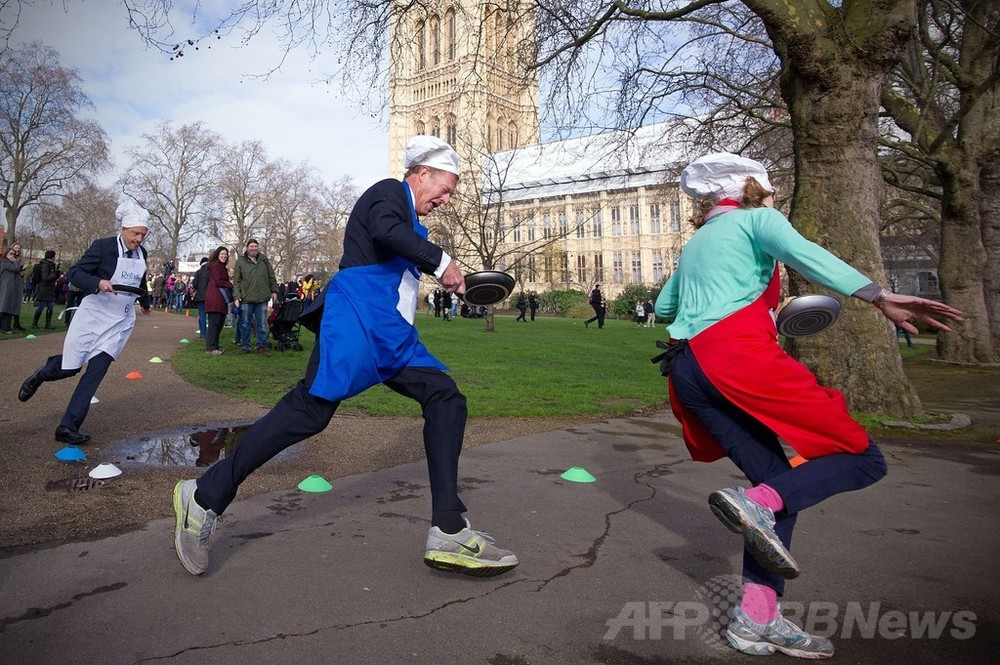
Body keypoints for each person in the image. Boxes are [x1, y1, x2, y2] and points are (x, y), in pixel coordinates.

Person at [653, 153, 963, 659]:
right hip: (737, 357)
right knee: (864, 459)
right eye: (768, 186)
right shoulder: (759, 220)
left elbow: (668, 309)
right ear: (750, 187)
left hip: (688, 370)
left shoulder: (698, 243)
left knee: (779, 485)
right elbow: (806, 254)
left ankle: (756, 618)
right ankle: (757, 510)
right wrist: (878, 295)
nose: (773, 195)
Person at [171, 134, 518, 578]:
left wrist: (452, 277)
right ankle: (202, 498)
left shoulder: (415, 224)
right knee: (308, 413)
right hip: (357, 319)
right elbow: (383, 232)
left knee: (446, 398)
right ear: (421, 173)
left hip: (391, 333)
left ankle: (449, 528)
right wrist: (442, 261)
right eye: (445, 188)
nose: (447, 199)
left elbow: (399, 251)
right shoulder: (388, 193)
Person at [18, 201, 153, 445]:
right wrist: (98, 283)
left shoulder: (142, 253)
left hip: (119, 322)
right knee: (70, 368)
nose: (139, 239)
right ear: (123, 229)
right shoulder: (103, 247)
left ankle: (67, 426)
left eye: (143, 234)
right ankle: (40, 374)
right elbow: (75, 273)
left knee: (96, 371)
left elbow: (139, 282)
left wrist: (145, 300)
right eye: (135, 233)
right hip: (93, 316)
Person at [233, 238, 278, 355]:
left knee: (262, 323)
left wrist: (274, 290)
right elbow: (236, 281)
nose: (254, 248)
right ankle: (245, 346)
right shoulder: (241, 261)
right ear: (247, 247)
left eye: (255, 246)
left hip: (262, 297)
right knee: (245, 323)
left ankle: (261, 345)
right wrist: (236, 296)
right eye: (251, 246)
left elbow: (271, 276)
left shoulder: (264, 260)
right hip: (246, 298)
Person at [203, 247, 233, 355]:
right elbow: (218, 281)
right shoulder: (216, 266)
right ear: (217, 254)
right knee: (214, 323)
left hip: (220, 298)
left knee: (219, 323)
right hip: (215, 298)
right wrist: (230, 285)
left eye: (225, 254)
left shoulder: (221, 267)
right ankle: (211, 347)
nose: (224, 256)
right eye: (222, 254)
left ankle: (215, 345)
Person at [0, 244, 26, 334]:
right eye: (10, 254)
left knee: (9, 307)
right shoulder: (5, 263)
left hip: (12, 288)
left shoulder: (11, 263)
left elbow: (20, 271)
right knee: (5, 307)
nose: (12, 256)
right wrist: (15, 261)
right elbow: (16, 269)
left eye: (13, 254)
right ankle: (5, 327)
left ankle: (6, 326)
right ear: (6, 254)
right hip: (6, 287)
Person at [31, 250, 59, 329]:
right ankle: (34, 323)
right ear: (52, 257)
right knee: (42, 306)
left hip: (49, 289)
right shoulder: (45, 265)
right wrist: (55, 275)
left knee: (50, 307)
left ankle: (48, 323)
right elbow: (45, 278)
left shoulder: (51, 265)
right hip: (44, 289)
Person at [191, 257, 210, 339]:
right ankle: (211, 333)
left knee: (202, 315)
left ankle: (203, 334)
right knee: (211, 316)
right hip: (211, 296)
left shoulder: (198, 272)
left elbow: (195, 284)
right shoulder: (211, 271)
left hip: (201, 296)